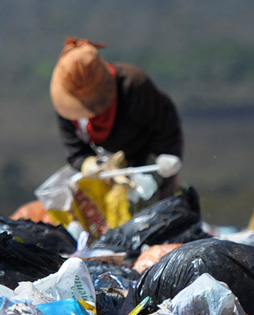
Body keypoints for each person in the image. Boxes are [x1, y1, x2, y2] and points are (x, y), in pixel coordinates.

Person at [50, 37, 183, 200]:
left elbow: (165, 128)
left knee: (153, 204)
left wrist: (161, 165)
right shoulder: (66, 104)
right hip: (107, 166)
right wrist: (88, 164)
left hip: (149, 156)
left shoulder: (134, 86)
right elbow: (75, 150)